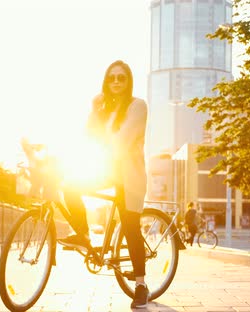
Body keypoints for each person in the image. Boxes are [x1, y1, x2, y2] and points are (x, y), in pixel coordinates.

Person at [56, 60, 149, 309]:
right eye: (112, 78)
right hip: (107, 171)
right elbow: (87, 136)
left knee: (130, 227)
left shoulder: (137, 106)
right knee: (70, 185)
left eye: (121, 77)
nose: (116, 82)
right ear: (106, 82)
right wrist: (94, 110)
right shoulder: (103, 108)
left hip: (128, 175)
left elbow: (123, 140)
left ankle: (141, 285)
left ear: (129, 81)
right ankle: (83, 234)